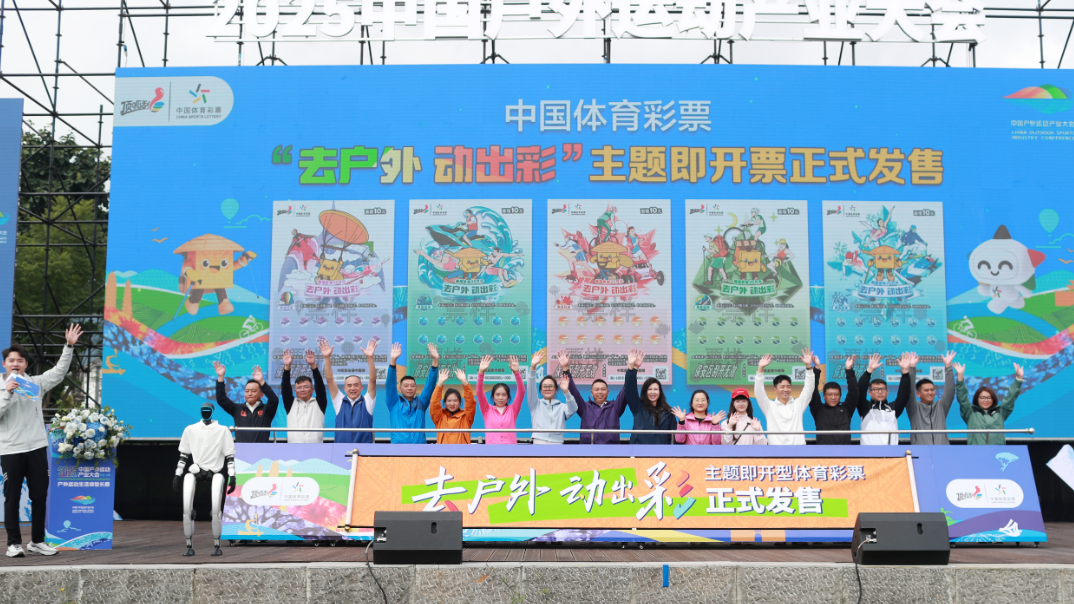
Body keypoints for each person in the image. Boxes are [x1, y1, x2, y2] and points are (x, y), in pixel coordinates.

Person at [1, 324, 81, 558]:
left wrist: (69, 346)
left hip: (36, 447)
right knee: (12, 498)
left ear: (26, 364)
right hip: (10, 450)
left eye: (20, 360)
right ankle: (13, 544)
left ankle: (37, 541)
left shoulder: (35, 384)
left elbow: (59, 372)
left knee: (39, 496)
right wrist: (7, 393)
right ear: (4, 364)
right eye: (11, 360)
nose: (16, 363)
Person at [174, 402, 236, 557]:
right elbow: (184, 455)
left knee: (216, 510)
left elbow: (229, 456)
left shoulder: (223, 430)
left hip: (215, 471)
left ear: (212, 412)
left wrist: (232, 475)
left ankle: (216, 544)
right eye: (203, 410)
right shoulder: (190, 429)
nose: (205, 412)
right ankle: (189, 544)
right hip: (195, 469)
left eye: (208, 410)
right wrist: (178, 474)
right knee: (186, 509)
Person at [562, 350, 630, 444]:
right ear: (592, 393)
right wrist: (565, 368)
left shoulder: (615, 407)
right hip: (588, 450)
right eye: (596, 389)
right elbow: (573, 391)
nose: (600, 392)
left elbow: (626, 388)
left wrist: (632, 368)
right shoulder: (585, 408)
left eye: (603, 389)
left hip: (611, 450)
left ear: (607, 392)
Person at [322, 339, 378, 444]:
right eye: (349, 385)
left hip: (364, 449)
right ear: (344, 388)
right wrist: (327, 358)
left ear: (361, 387)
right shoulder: (339, 401)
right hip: (342, 449)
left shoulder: (367, 401)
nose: (352, 388)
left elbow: (372, 380)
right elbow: (329, 380)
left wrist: (370, 358)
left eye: (356, 385)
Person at [754, 351, 816, 445]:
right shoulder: (769, 406)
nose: (786, 389)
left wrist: (809, 367)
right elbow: (759, 392)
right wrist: (760, 369)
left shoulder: (798, 404)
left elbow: (809, 389)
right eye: (782, 387)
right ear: (775, 389)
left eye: (788, 386)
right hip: (776, 451)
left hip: (798, 450)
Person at [954, 362, 1024, 445]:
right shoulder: (970, 412)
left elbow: (1011, 398)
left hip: (997, 451)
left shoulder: (1001, 412)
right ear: (977, 399)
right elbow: (962, 398)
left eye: (989, 397)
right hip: (976, 451)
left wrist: (1019, 378)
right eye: (982, 397)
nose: (985, 400)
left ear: (993, 399)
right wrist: (960, 376)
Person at [385, 342, 440, 444]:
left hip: (419, 449)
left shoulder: (421, 402)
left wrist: (435, 360)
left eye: (412, 385)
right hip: (398, 449)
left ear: (416, 388)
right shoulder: (394, 402)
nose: (409, 388)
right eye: (406, 386)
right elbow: (390, 384)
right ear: (400, 388)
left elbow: (430, 385)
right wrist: (393, 361)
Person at [213, 362, 279, 444]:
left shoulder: (267, 410)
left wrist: (261, 381)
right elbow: (221, 399)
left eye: (253, 391)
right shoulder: (237, 409)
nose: (250, 394)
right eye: (247, 391)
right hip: (242, 450)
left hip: (262, 449)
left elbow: (274, 399)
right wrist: (220, 377)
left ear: (262, 394)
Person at [856, 353, 912, 445]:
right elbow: (859, 392)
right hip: (869, 452)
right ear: (870, 393)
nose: (880, 392)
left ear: (887, 392)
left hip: (891, 452)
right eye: (876, 389)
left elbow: (904, 394)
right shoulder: (865, 408)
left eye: (882, 389)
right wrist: (868, 371)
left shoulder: (894, 408)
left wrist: (905, 372)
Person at [623, 349, 677, 444]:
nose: (653, 392)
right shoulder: (638, 407)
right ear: (645, 391)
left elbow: (673, 438)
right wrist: (632, 368)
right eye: (650, 389)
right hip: (639, 450)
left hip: (661, 452)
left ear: (660, 392)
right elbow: (630, 389)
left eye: (655, 389)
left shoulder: (668, 413)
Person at [525, 350, 577, 444]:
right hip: (539, 442)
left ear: (556, 389)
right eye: (544, 386)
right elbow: (531, 387)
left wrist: (566, 392)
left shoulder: (562, 407)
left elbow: (573, 408)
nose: (547, 388)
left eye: (550, 386)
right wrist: (533, 368)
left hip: (557, 443)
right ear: (541, 390)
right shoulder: (535, 404)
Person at [906, 351, 957, 445]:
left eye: (932, 390)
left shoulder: (941, 406)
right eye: (926, 390)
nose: (930, 392)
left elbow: (950, 390)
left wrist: (948, 367)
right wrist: (912, 367)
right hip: (920, 451)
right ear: (918, 394)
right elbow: (909, 391)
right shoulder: (914, 408)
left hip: (941, 450)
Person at [280, 347, 328, 443]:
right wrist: (287, 367)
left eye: (306, 387)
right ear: (295, 390)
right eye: (299, 387)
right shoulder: (290, 403)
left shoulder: (319, 403)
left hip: (316, 448)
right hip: (294, 448)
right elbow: (285, 388)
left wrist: (313, 366)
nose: (302, 390)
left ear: (312, 389)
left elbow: (320, 387)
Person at [808, 355, 859, 445]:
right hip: (824, 452)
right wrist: (816, 368)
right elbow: (812, 390)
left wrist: (849, 369)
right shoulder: (818, 409)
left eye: (836, 395)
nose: (833, 397)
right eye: (830, 394)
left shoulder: (846, 409)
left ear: (840, 396)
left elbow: (854, 392)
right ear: (824, 396)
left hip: (845, 452)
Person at [476, 354, 525, 445]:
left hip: (510, 449)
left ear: (508, 396)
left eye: (504, 394)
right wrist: (481, 372)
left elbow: (521, 391)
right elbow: (479, 393)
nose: (500, 397)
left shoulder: (513, 410)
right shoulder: (487, 409)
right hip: (492, 450)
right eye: (497, 394)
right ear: (493, 396)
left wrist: (517, 373)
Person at [430, 367, 477, 444]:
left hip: (463, 451)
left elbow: (471, 403)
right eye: (449, 401)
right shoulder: (439, 417)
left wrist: (465, 382)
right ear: (445, 402)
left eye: (455, 400)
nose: (452, 403)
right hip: (443, 451)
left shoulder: (466, 417)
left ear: (460, 402)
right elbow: (434, 403)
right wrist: (439, 383)